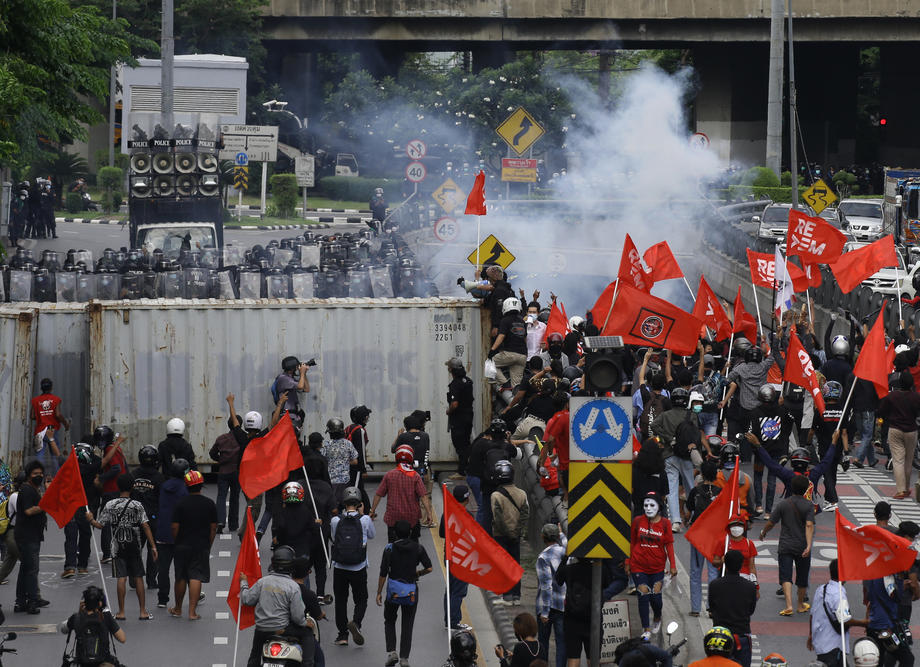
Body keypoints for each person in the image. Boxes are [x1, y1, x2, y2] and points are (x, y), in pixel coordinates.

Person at [88, 473, 155, 621]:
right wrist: (153, 546)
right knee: (138, 577)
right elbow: (145, 526)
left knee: (121, 578)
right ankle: (143, 611)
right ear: (132, 487)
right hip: (135, 545)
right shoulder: (137, 505)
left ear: (118, 487)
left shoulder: (110, 505)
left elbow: (100, 525)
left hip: (117, 546)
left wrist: (91, 519)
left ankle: (121, 612)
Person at [240, 545, 312, 667]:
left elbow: (247, 599)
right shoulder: (293, 587)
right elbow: (297, 617)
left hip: (261, 629)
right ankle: (308, 664)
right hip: (282, 629)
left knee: (254, 656)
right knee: (307, 634)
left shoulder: (263, 582)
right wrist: (306, 623)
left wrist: (244, 582)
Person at [377, 519, 432, 667]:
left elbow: (383, 573)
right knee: (407, 624)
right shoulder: (418, 548)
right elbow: (429, 568)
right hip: (411, 592)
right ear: (410, 533)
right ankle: (404, 658)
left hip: (393, 592)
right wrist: (418, 574)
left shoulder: (389, 549)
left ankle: (392, 652)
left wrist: (379, 592)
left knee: (389, 620)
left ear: (395, 533)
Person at [759, 474, 815, 616]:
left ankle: (789, 605)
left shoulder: (783, 504)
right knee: (802, 577)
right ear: (805, 489)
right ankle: (800, 604)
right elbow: (809, 525)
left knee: (786, 576)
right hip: (802, 545)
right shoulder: (809, 505)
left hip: (785, 545)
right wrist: (808, 546)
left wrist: (763, 532)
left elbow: (771, 522)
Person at [624, 491, 677, 640]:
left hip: (657, 568)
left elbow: (669, 546)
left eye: (651, 505)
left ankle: (657, 617)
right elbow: (632, 542)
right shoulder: (637, 521)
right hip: (638, 566)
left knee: (656, 598)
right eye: (645, 505)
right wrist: (628, 562)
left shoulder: (666, 524)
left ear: (658, 507)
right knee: (643, 596)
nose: (648, 508)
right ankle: (646, 628)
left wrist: (673, 565)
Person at [651, 387, 703, 531]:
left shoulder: (665, 415)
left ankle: (675, 522)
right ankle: (694, 516)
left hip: (669, 455)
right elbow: (696, 435)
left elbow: (653, 425)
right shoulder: (691, 415)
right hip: (686, 455)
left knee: (672, 490)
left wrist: (668, 438)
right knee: (690, 487)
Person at [169, 470, 217, 620]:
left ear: (186, 486)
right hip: (201, 545)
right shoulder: (209, 504)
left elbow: (174, 527)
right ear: (202, 485)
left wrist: (177, 541)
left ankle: (177, 609)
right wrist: (208, 543)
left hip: (182, 545)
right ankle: (192, 612)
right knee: (196, 576)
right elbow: (213, 528)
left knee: (181, 577)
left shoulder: (180, 504)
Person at [742, 384, 796, 516]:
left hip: (760, 451)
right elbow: (791, 421)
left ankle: (759, 505)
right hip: (776, 452)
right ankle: (768, 511)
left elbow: (749, 432)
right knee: (772, 480)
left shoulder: (755, 412)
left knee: (758, 478)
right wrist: (783, 438)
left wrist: (754, 445)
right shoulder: (781, 410)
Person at [331, 486, 374, 647]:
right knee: (361, 598)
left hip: (340, 567)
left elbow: (334, 538)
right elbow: (372, 535)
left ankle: (342, 635)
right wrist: (363, 515)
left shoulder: (336, 520)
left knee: (341, 601)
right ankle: (356, 623)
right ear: (358, 503)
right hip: (359, 566)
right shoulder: (365, 520)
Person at [808, 559, 868, 667]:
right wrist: (864, 623)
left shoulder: (821, 589)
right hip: (833, 646)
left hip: (821, 643)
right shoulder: (838, 595)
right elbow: (845, 620)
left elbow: (813, 614)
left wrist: (811, 635)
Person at [370, 447, 433, 543]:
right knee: (414, 545)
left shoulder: (389, 475)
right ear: (411, 458)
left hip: (393, 518)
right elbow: (424, 496)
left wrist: (372, 510)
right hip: (412, 518)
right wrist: (429, 514)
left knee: (392, 546)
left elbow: (379, 494)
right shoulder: (415, 476)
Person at [708, 550, 757, 667]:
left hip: (720, 637)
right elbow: (751, 610)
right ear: (741, 565)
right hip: (742, 635)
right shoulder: (750, 587)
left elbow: (712, 608)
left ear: (725, 564)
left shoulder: (715, 585)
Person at [491, 459, 530, 605]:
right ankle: (516, 596)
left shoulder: (496, 496)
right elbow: (525, 514)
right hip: (516, 535)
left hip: (501, 535)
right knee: (515, 564)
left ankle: (506, 595)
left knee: (503, 565)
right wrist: (517, 532)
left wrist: (508, 532)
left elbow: (498, 518)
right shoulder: (522, 493)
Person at [876, 371, 920, 499]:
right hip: (911, 430)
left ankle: (901, 490)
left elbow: (881, 411)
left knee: (898, 460)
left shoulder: (892, 396)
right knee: (908, 460)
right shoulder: (916, 397)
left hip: (895, 429)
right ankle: (906, 488)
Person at [686, 461, 721, 617]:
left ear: (702, 474)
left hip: (698, 536)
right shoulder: (721, 492)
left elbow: (690, 510)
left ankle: (695, 608)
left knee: (695, 572)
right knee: (713, 572)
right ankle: (712, 607)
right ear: (715, 475)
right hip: (714, 536)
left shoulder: (695, 491)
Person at [60, 585, 126, 667]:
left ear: (84, 602)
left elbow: (63, 629)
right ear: (100, 603)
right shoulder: (106, 616)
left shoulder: (76, 617)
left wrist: (79, 612)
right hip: (103, 662)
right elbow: (122, 638)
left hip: (82, 663)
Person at [63, 443, 101, 579]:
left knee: (71, 537)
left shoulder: (71, 469)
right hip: (88, 507)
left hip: (73, 506)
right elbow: (100, 461)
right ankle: (83, 566)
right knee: (85, 536)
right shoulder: (94, 467)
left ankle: (70, 566)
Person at [155, 457, 188, 610]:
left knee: (163, 568)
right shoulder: (185, 489)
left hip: (163, 531)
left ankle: (162, 598)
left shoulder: (164, 486)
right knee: (181, 569)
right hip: (180, 533)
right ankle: (184, 598)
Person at [14, 460, 47, 614]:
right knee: (32, 569)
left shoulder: (34, 489)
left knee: (25, 568)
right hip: (28, 536)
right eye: (35, 474)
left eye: (40, 473)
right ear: (28, 476)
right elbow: (28, 511)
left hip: (30, 535)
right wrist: (44, 506)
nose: (38, 476)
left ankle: (20, 602)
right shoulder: (27, 490)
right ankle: (32, 602)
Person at [131, 445, 164, 589]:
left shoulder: (133, 474)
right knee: (153, 549)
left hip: (135, 517)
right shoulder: (159, 477)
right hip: (152, 518)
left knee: (135, 550)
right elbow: (161, 498)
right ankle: (151, 580)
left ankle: (134, 579)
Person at [391, 413, 433, 526]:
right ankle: (424, 520)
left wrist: (398, 435)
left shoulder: (403, 437)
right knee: (424, 495)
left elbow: (393, 449)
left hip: (407, 470)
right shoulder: (425, 436)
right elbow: (426, 451)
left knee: (408, 495)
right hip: (423, 468)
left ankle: (409, 518)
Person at [440, 485, 472, 631]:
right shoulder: (468, 515)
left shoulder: (447, 512)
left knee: (450, 589)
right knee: (459, 591)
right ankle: (454, 622)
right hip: (462, 558)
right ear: (467, 498)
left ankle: (448, 620)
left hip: (449, 555)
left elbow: (441, 533)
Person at [535, 523, 567, 667]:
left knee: (543, 643)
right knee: (562, 643)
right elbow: (569, 544)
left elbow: (546, 586)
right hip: (563, 605)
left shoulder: (543, 557)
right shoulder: (564, 551)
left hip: (547, 607)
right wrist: (561, 534)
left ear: (542, 537)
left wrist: (545, 612)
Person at [865, 574, 914, 667]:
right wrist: (900, 581)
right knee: (907, 658)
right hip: (886, 628)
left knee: (878, 661)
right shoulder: (888, 577)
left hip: (873, 626)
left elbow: (870, 598)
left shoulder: (872, 575)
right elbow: (896, 597)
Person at [95, 426, 127, 564]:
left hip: (110, 490)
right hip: (118, 489)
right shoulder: (116, 448)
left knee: (106, 523)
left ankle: (107, 553)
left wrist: (101, 479)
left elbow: (116, 468)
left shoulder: (109, 450)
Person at [31, 377, 70, 478]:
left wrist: (42, 415)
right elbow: (57, 415)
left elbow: (32, 416)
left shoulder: (35, 401)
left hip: (40, 431)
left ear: (41, 388)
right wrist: (65, 423)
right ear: (51, 388)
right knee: (55, 455)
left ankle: (38, 477)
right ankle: (57, 478)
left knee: (40, 455)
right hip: (52, 431)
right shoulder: (56, 400)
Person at [209, 415, 241, 533]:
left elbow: (212, 453)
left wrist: (221, 460)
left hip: (223, 471)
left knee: (221, 496)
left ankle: (220, 522)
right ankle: (233, 524)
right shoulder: (241, 439)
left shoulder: (221, 439)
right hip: (237, 471)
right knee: (235, 497)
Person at [291, 556, 325, 667]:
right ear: (307, 573)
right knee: (319, 659)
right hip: (298, 630)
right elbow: (318, 615)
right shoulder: (309, 594)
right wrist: (321, 615)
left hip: (279, 628)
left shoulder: (285, 589)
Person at [489, 296, 529, 390]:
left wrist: (492, 350)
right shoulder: (522, 321)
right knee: (516, 386)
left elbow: (501, 336)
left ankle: (504, 383)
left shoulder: (505, 320)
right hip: (522, 356)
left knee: (489, 363)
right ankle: (516, 402)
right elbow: (525, 339)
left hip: (510, 353)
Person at [446, 358, 475, 481]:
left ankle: (462, 472)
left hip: (459, 419)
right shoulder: (468, 381)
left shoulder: (455, 384)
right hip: (468, 416)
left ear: (451, 369)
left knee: (459, 444)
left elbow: (455, 404)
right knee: (466, 443)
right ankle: (467, 469)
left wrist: (449, 411)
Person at [274, 481, 319, 558]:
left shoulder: (282, 512)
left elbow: (280, 528)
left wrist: (277, 538)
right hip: (302, 551)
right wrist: (318, 524)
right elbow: (314, 529)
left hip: (286, 551)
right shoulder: (305, 511)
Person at [322, 418, 358, 504]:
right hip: (345, 481)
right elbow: (355, 461)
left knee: (332, 506)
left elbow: (322, 460)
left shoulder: (326, 445)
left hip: (330, 481)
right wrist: (344, 462)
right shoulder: (348, 444)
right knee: (344, 505)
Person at [631, 437, 670, 518]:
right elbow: (664, 495)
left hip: (639, 511)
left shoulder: (635, 471)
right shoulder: (661, 472)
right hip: (657, 512)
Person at [346, 405, 373, 512]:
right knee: (357, 488)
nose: (367, 418)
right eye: (366, 416)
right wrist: (363, 469)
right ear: (363, 417)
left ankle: (368, 509)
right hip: (356, 465)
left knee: (359, 487)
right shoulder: (360, 430)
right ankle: (363, 510)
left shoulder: (349, 427)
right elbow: (360, 451)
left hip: (348, 463)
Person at [273, 356, 311, 429]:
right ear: (292, 367)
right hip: (286, 417)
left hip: (293, 417)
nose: (298, 368)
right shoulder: (283, 378)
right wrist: (302, 373)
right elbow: (300, 386)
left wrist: (304, 374)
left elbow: (306, 389)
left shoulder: (290, 379)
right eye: (297, 366)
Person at [0, 472, 25, 585]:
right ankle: (35, 595)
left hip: (16, 531)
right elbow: (23, 513)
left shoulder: (21, 495)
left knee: (10, 558)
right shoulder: (16, 496)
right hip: (11, 533)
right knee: (27, 561)